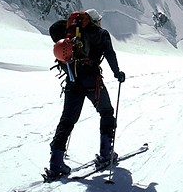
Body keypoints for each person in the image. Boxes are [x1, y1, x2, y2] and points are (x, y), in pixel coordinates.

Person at [46, 9, 125, 179]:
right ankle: (106, 152)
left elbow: (53, 29)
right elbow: (110, 53)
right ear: (95, 21)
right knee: (106, 112)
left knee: (67, 119)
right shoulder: (101, 33)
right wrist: (117, 72)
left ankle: (56, 161)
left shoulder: (72, 31)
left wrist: (71, 25)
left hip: (72, 79)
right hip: (92, 81)